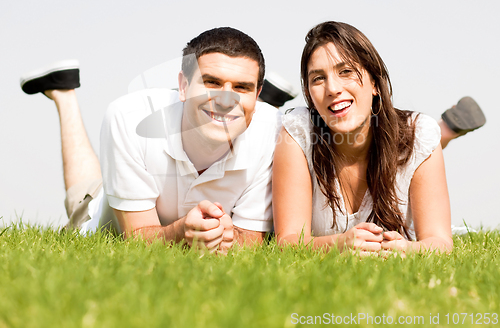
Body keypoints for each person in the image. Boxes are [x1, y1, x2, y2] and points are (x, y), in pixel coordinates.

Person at [20, 27, 281, 253]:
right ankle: (63, 92)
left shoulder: (273, 131)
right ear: (182, 87)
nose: (226, 100)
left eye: (242, 87)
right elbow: (136, 237)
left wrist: (229, 236)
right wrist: (181, 232)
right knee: (83, 195)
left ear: (258, 95)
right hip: (107, 212)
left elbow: (251, 242)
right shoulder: (128, 117)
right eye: (211, 82)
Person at [272, 21, 485, 254]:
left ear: (374, 82)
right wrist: (338, 244)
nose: (332, 88)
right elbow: (287, 241)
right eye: (318, 79)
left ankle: (445, 131)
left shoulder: (419, 134)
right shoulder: (298, 132)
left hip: (406, 135)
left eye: (346, 71)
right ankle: (446, 131)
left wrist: (406, 250)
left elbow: (440, 242)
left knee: (419, 137)